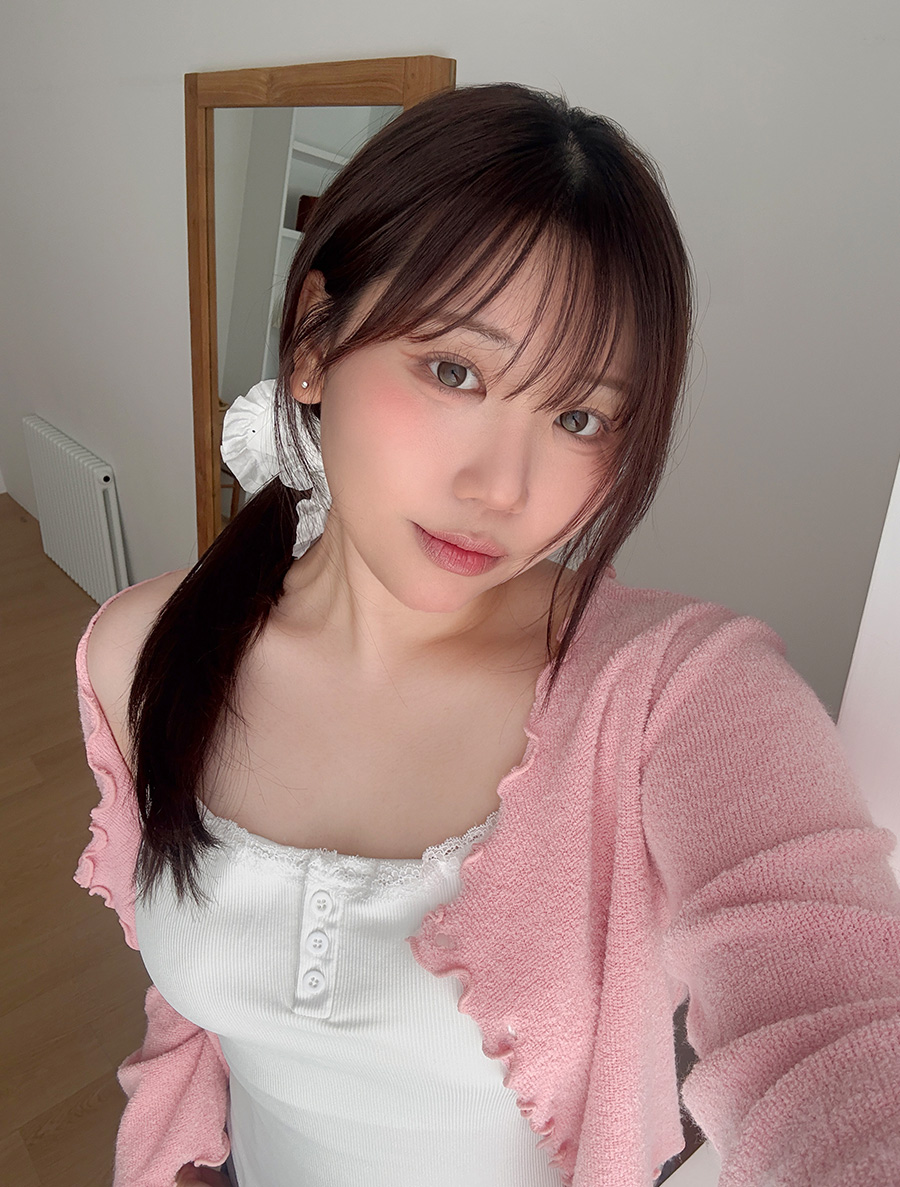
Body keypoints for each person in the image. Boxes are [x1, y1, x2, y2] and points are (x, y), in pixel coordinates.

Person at [75, 82, 900, 1187]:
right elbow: (191, 995)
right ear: (315, 340)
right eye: (454, 370)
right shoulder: (139, 652)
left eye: (579, 417)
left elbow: (831, 1024)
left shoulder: (680, 694)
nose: (501, 488)